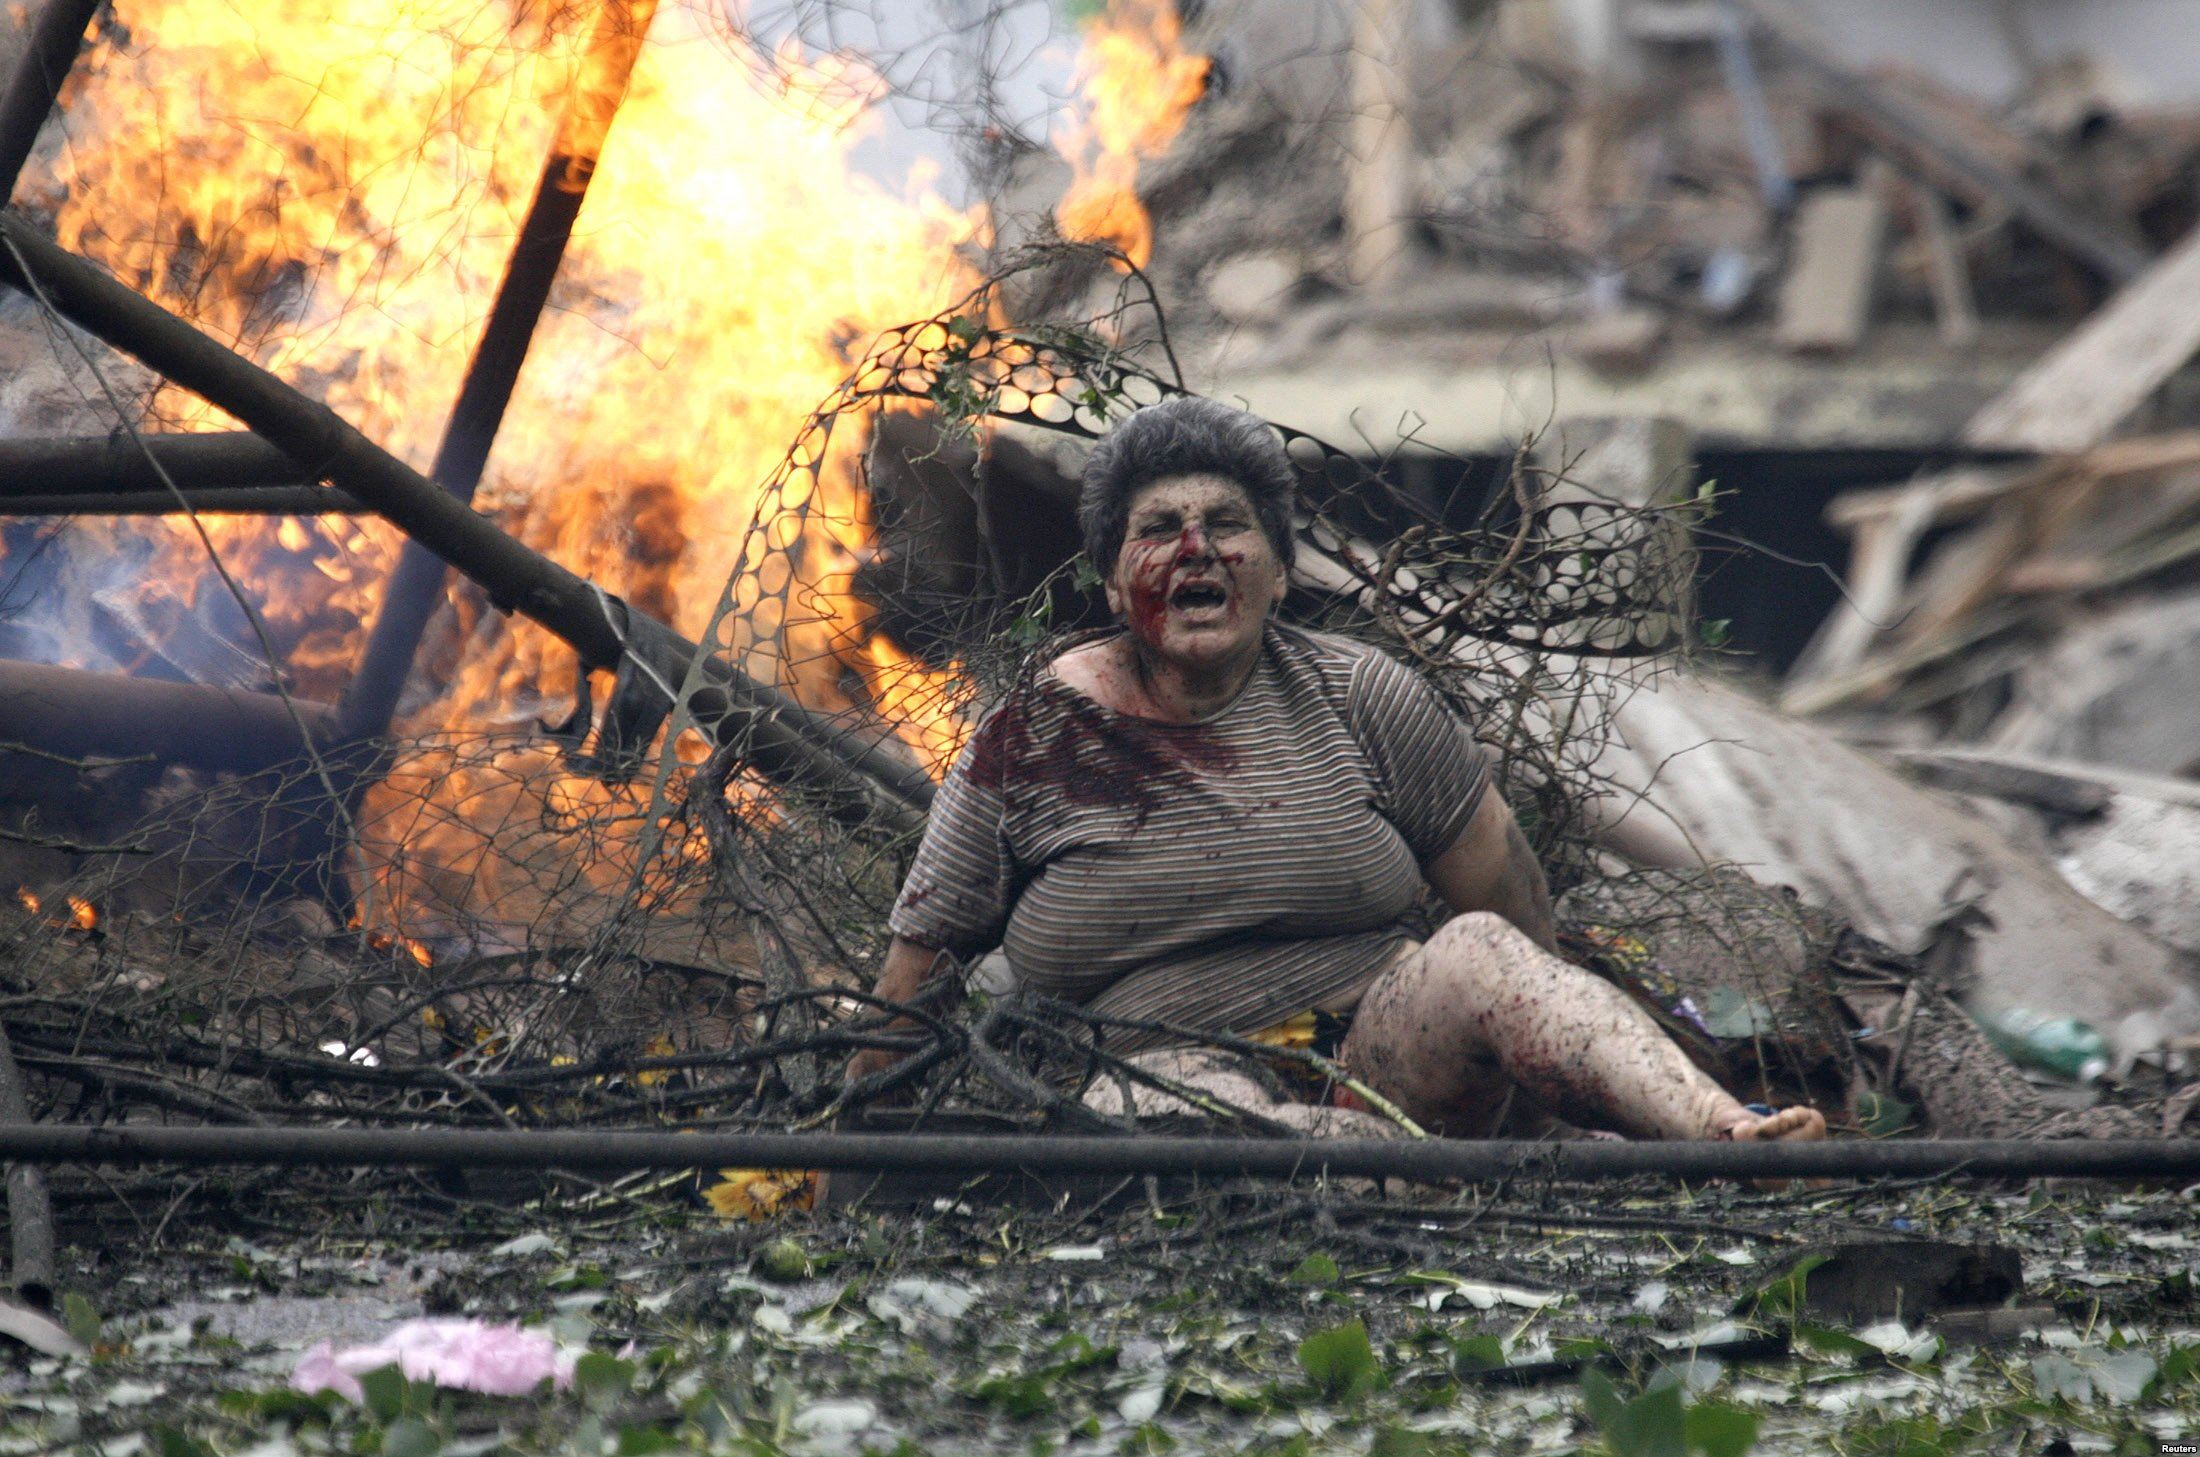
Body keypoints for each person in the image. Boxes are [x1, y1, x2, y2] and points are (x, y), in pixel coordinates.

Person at [851, 396, 1825, 1145]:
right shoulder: (1030, 738)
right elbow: (914, 976)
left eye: (1229, 523)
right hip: (1161, 1077)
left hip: (1383, 1044)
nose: (1197, 548)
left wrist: (1544, 1092)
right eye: (1159, 528)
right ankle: (1371, 1170)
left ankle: (1724, 1131)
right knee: (1187, 1117)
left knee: (1477, 952)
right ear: (1112, 580)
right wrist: (842, 1152)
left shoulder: (1362, 695)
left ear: (1276, 569)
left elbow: (1516, 912)